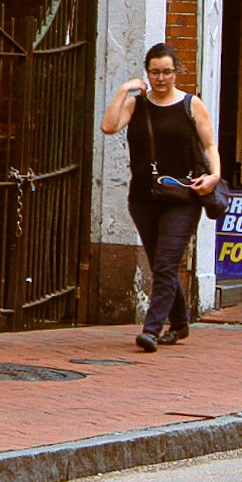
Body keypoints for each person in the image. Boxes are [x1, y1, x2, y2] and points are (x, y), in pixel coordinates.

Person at [99, 44, 222, 354]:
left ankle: (151, 330)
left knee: (167, 262)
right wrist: (124, 90)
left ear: (176, 71)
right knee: (160, 264)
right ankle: (180, 323)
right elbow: (108, 126)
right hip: (143, 196)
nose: (161, 78)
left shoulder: (191, 105)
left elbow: (209, 145)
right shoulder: (136, 105)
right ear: (147, 73)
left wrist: (215, 176)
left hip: (184, 195)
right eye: (155, 72)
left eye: (167, 71)